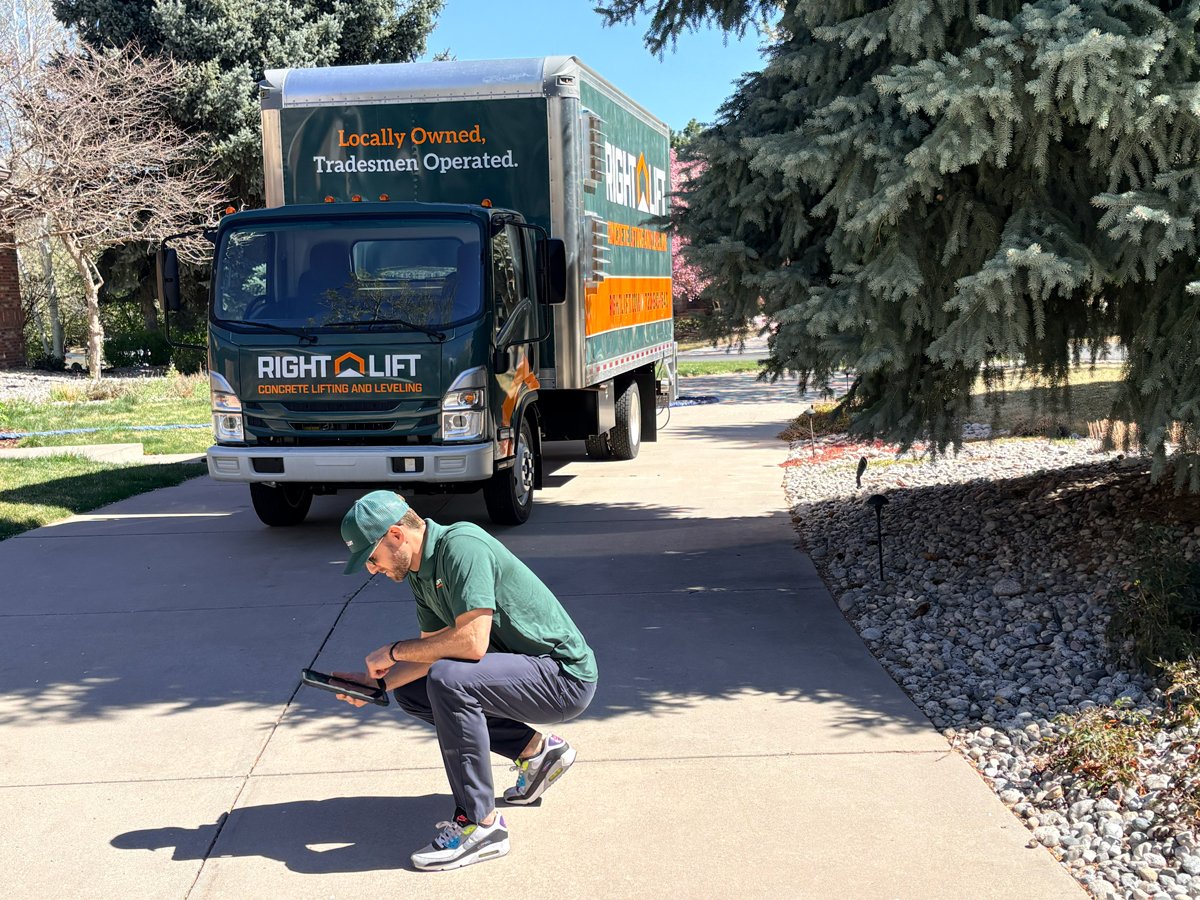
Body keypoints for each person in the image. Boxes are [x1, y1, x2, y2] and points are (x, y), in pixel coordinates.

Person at [334, 490, 597, 871]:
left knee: (448, 679)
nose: (371, 570)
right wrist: (375, 685)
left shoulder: (461, 546)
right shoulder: (419, 572)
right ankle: (535, 752)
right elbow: (429, 653)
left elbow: (472, 645)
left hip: (562, 678)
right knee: (415, 691)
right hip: (525, 674)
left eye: (371, 558)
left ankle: (480, 826)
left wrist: (392, 651)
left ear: (396, 535)